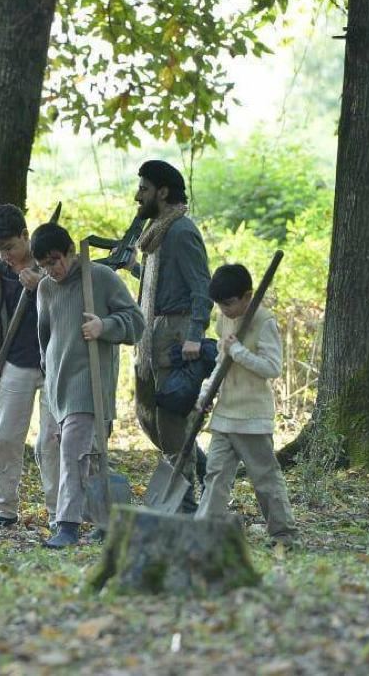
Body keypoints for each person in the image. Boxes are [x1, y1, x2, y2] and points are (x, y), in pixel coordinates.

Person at [33, 223, 144, 548]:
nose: (52, 270)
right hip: (58, 383)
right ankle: (106, 522)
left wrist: (105, 325)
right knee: (88, 456)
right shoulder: (45, 289)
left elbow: (136, 323)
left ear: (69, 251)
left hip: (90, 381)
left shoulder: (100, 277)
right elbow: (44, 335)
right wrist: (47, 370)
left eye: (55, 261)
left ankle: (66, 526)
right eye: (43, 265)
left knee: (73, 453)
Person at [195, 264, 297, 547]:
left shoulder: (264, 321)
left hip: (252, 416)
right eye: (220, 304)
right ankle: (203, 531)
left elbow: (272, 367)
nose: (225, 310)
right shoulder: (223, 320)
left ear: (247, 296)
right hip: (225, 413)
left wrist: (238, 352)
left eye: (229, 303)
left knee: (264, 478)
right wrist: (206, 393)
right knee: (215, 475)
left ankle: (283, 533)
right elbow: (220, 362)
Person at [131, 160, 211, 512]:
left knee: (170, 419)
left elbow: (200, 288)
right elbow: (160, 287)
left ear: (162, 192)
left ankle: (186, 501)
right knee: (148, 416)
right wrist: (132, 269)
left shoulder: (181, 232)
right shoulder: (158, 233)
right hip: (151, 333)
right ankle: (206, 469)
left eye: (144, 189)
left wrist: (194, 336)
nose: (138, 196)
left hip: (175, 335)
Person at [0, 204, 60, 530]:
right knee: (6, 438)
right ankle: (6, 509)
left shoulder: (51, 262)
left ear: (25, 235)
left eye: (9, 247)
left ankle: (58, 513)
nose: (6, 255)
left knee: (51, 441)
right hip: (14, 365)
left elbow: (69, 304)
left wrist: (43, 287)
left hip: (53, 365)